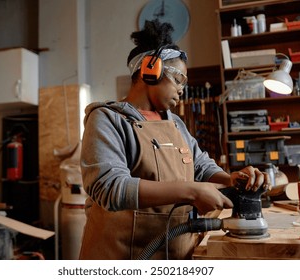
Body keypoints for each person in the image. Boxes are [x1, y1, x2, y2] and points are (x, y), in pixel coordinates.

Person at [78, 19, 270, 260]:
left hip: (174, 254)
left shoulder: (174, 123)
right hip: (123, 257)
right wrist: (191, 191)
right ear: (151, 70)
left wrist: (230, 178)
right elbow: (110, 188)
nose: (182, 90)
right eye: (179, 80)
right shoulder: (107, 119)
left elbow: (200, 164)